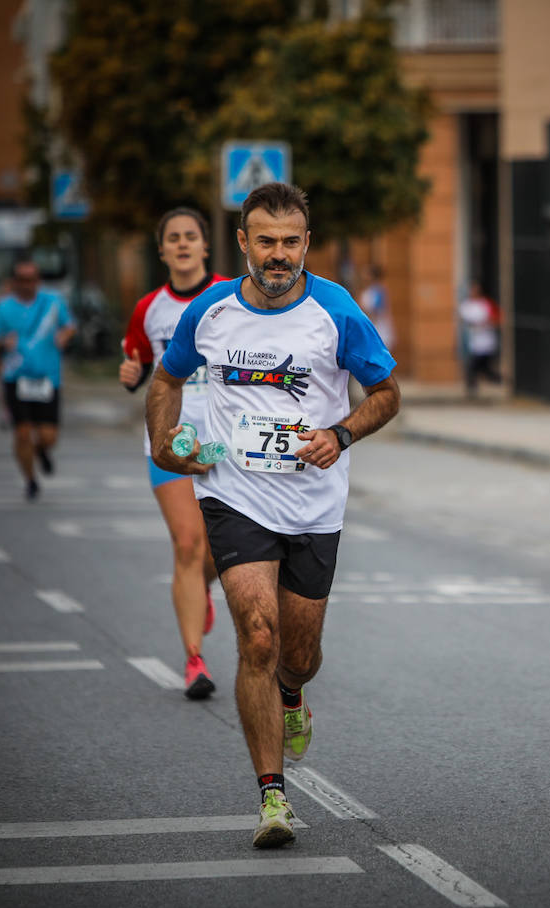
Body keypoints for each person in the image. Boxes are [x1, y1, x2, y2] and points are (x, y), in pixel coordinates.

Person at [146, 183, 400, 849]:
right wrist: (165, 445)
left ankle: (292, 692)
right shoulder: (213, 310)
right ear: (243, 243)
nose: (278, 254)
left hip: (314, 503)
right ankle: (272, 797)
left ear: (306, 244)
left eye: (290, 242)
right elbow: (167, 380)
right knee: (256, 636)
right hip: (234, 495)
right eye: (266, 241)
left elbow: (387, 393)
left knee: (299, 652)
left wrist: (341, 435)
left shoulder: (336, 310)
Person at [119, 207, 228, 700]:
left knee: (216, 552)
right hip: (168, 441)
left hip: (224, 443)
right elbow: (140, 363)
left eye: (191, 237)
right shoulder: (148, 308)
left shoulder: (232, 296)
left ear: (206, 246)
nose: (182, 244)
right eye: (173, 238)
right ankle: (194, 661)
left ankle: (202, 587)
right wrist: (131, 375)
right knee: (187, 544)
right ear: (161, 250)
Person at [0, 258, 76, 501]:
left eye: (32, 280)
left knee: (48, 436)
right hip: (16, 378)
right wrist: (3, 343)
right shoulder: (3, 307)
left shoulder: (53, 302)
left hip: (48, 379)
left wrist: (64, 336)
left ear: (38, 281)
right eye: (22, 280)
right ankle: (31, 480)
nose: (27, 285)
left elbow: (70, 326)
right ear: (15, 282)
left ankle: (41, 451)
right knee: (22, 433)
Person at [458, 281, 502, 397]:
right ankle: (472, 386)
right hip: (473, 342)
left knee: (482, 367)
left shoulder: (487, 304)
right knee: (476, 366)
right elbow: (463, 320)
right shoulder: (466, 305)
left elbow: (498, 320)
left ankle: (495, 380)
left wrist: (486, 323)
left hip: (487, 341)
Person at [358, 263, 394, 349]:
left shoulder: (378, 291)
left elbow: (374, 312)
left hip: (379, 332)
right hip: (372, 333)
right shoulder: (368, 291)